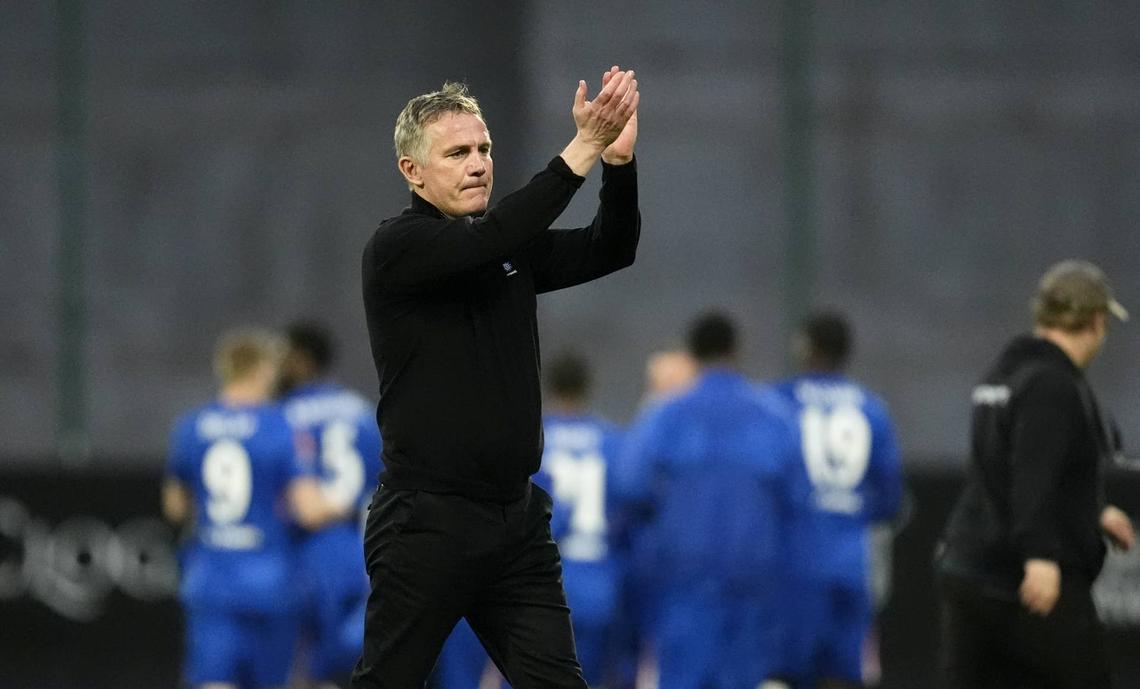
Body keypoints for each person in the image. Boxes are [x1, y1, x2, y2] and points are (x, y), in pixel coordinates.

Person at [354, 66, 640, 689]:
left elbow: (611, 247)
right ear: (413, 172)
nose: (478, 163)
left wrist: (617, 165)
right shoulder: (397, 248)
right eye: (457, 153)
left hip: (514, 522)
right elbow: (500, 233)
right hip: (427, 521)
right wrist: (583, 146)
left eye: (484, 149)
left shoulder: (505, 247)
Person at [936, 259, 1136, 689]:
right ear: (1097, 322)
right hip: (1020, 577)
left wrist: (1092, 512)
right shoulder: (1052, 384)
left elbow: (1001, 468)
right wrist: (1040, 558)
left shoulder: (1002, 373)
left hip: (968, 567)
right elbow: (1033, 474)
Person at [613, 311, 801, 689]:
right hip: (752, 583)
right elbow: (797, 497)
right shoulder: (775, 415)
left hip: (685, 582)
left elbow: (629, 486)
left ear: (693, 355)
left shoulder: (666, 415)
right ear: (736, 351)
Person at [163, 329, 347, 689]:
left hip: (211, 580)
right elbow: (308, 509)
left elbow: (175, 506)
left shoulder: (190, 427)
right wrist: (349, 504)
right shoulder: (282, 427)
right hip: (271, 583)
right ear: (263, 371)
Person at [764, 312, 903, 689]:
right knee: (843, 673)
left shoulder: (778, 401)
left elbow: (763, 479)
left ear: (805, 346)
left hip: (792, 562)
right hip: (850, 563)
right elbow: (891, 498)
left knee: (781, 672)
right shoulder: (871, 408)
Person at [279, 321, 383, 689]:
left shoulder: (283, 413)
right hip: (355, 548)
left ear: (301, 360)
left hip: (303, 549)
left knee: (297, 663)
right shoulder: (361, 411)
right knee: (341, 665)